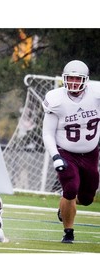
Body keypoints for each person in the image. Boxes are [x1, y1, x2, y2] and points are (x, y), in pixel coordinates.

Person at [42, 59, 100, 243]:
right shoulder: (56, 98)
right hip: (66, 151)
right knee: (71, 187)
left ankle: (66, 205)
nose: (73, 83)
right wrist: (56, 156)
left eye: (77, 79)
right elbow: (48, 132)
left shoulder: (97, 94)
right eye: (70, 79)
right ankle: (68, 232)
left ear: (86, 80)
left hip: (91, 153)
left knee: (87, 198)